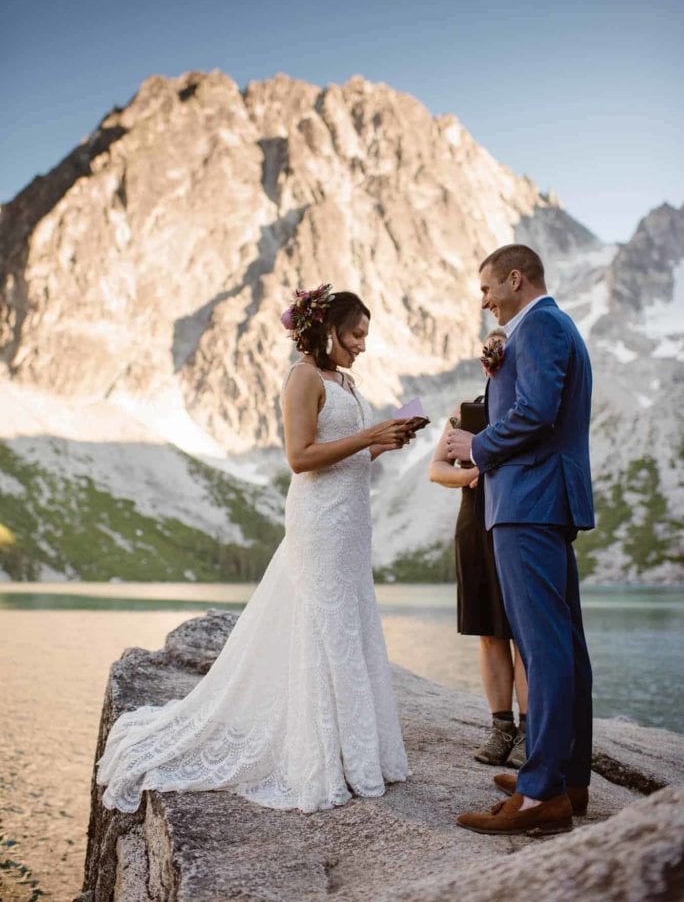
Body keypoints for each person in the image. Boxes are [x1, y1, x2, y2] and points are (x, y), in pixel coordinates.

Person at [97, 284, 412, 814]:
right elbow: (300, 456)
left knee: (349, 619)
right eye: (356, 334)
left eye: (364, 336)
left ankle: (354, 750)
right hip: (318, 518)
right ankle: (320, 754)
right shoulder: (303, 377)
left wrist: (382, 443)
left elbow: (345, 457)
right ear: (328, 330)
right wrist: (366, 437)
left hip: (350, 521)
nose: (362, 344)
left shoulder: (346, 381)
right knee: (324, 621)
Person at [447, 245, 594, 836]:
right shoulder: (544, 328)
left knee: (543, 646)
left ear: (515, 279)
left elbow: (536, 412)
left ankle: (540, 797)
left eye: (487, 289)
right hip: (542, 500)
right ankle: (564, 776)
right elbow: (532, 403)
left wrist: (475, 448)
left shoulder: (541, 326)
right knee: (563, 643)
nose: (483, 301)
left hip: (528, 502)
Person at [428, 330, 528, 769]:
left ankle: (531, 732)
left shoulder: (529, 409)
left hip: (518, 520)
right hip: (474, 521)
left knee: (524, 633)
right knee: (489, 630)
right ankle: (500, 728)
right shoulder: (464, 412)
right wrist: (471, 475)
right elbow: (436, 469)